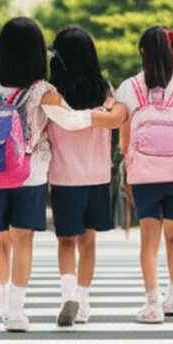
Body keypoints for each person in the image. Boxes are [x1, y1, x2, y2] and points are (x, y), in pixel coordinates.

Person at [0, 17, 56, 333]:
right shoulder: (43, 92)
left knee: (2, 239)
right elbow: (66, 122)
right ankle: (16, 310)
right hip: (29, 174)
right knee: (24, 240)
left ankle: (3, 302)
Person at [114, 26, 173, 324]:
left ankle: (153, 303)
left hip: (144, 173)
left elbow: (124, 134)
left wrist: (128, 161)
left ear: (142, 52)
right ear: (171, 52)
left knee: (148, 239)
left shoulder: (129, 88)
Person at [41, 25, 128, 326]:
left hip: (65, 179)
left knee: (66, 241)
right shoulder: (104, 89)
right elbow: (116, 119)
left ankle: (69, 297)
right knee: (88, 242)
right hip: (97, 177)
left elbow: (54, 125)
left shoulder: (51, 93)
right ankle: (84, 301)